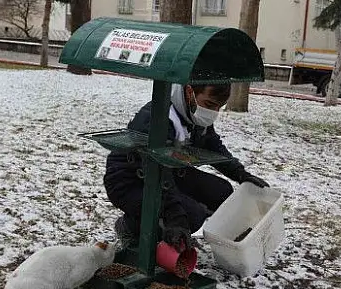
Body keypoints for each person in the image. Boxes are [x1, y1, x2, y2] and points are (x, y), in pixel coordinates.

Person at [104, 83, 269, 251]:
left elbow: (213, 145)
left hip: (171, 172)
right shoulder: (158, 118)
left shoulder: (195, 113)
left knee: (222, 192)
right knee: (192, 215)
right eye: (210, 105)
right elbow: (155, 170)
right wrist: (175, 215)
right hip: (129, 180)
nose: (214, 113)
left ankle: (166, 222)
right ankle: (131, 227)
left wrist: (239, 173)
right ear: (190, 92)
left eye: (219, 107)